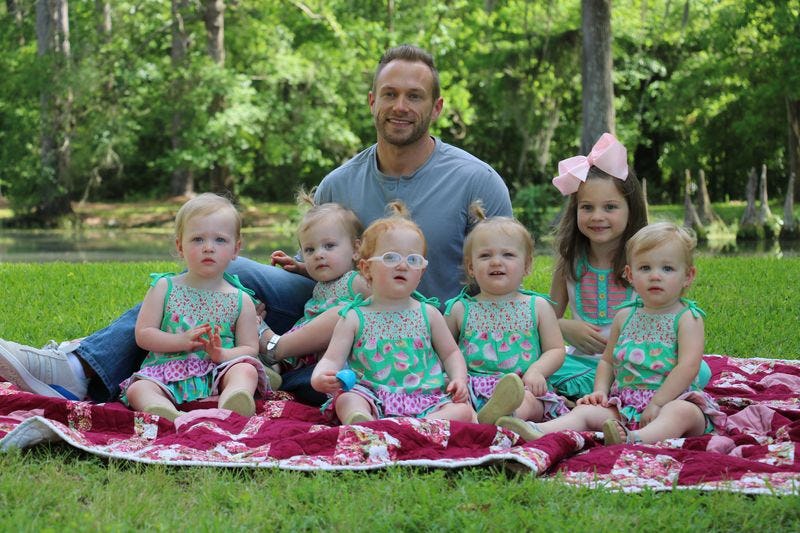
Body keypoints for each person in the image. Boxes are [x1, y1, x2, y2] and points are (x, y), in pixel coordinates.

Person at [0, 44, 511, 406]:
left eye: (415, 96)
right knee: (222, 269)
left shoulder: (476, 181)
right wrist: (294, 275)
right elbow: (327, 273)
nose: (401, 106)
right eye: (390, 93)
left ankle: (272, 367)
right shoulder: (340, 182)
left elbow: (500, 273)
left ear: (436, 107)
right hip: (332, 307)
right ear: (371, 101)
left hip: (422, 325)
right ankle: (81, 367)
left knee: (321, 362)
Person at [495, 222, 726, 444]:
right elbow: (607, 361)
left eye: (667, 268)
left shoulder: (687, 318)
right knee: (586, 411)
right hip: (626, 404)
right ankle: (538, 430)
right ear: (630, 275)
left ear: (688, 276)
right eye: (645, 268)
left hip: (671, 399)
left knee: (680, 413)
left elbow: (688, 367)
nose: (655, 275)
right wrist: (600, 392)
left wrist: (658, 403)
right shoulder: (624, 316)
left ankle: (636, 439)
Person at [545, 132, 711, 399]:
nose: (597, 216)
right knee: (538, 364)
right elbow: (546, 318)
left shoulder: (645, 263)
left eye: (610, 207)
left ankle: (585, 394)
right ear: (575, 211)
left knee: (699, 370)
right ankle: (598, 391)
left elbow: (669, 314)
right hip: (581, 362)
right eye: (587, 207)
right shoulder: (569, 261)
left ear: (630, 209)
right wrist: (564, 327)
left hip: (639, 363)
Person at [310, 203, 475, 425]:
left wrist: (459, 379)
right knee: (348, 399)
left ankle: (419, 426)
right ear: (366, 268)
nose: (403, 266)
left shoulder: (429, 314)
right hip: (373, 397)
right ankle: (364, 422)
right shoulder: (354, 317)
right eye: (391, 258)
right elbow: (332, 359)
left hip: (425, 400)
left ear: (421, 272)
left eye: (413, 260)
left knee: (462, 411)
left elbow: (451, 354)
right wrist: (321, 376)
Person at [123, 194, 275, 420]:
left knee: (246, 370)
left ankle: (233, 400)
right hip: (167, 373)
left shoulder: (240, 300)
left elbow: (249, 348)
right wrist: (180, 341)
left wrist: (222, 354)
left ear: (236, 249)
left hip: (218, 372)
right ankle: (163, 411)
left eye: (220, 240)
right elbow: (143, 334)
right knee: (138, 389)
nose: (208, 248)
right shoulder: (164, 287)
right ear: (180, 246)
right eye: (197, 239)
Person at [444, 202, 568, 428]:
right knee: (455, 406)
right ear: (471, 268)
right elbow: (443, 352)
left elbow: (556, 349)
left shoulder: (537, 306)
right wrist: (455, 381)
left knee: (530, 402)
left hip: (522, 386)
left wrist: (537, 371)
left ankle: (508, 415)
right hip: (473, 389)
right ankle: (481, 419)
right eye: (485, 255)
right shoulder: (460, 309)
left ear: (527, 266)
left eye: (508, 254)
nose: (496, 261)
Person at [259, 190, 370, 389]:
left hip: (340, 351)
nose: (318, 255)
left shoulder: (357, 280)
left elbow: (384, 298)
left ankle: (275, 349)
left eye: (329, 246)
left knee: (342, 314)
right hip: (308, 354)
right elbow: (327, 277)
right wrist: (300, 268)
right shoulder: (325, 281)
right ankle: (271, 371)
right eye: (309, 250)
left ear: (356, 250)